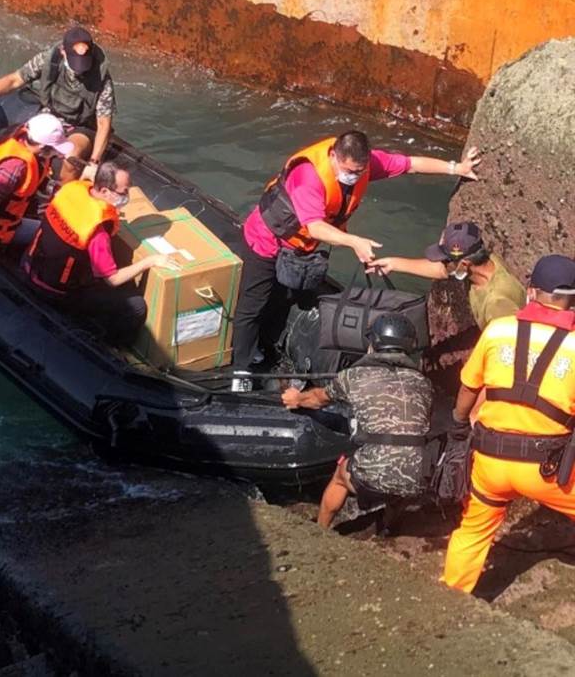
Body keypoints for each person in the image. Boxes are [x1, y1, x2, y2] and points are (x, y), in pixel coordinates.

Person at [231, 130, 480, 388]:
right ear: (334, 156)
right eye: (348, 170)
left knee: (285, 297)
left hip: (300, 248)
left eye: (359, 171)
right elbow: (315, 226)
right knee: (253, 303)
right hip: (266, 240)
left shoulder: (367, 165)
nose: (353, 176)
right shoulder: (309, 177)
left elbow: (411, 164)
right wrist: (355, 242)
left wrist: (456, 168)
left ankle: (268, 342)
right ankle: (241, 368)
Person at [441, 254, 575, 594]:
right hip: (550, 472)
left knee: (472, 530)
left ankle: (451, 598)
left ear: (531, 293)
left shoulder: (499, 330)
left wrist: (458, 424)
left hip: (490, 462)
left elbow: (470, 387)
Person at [281, 313, 434, 530]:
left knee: (340, 476)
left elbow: (318, 399)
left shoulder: (354, 376)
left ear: (373, 345)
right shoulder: (424, 383)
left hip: (375, 471)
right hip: (418, 476)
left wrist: (297, 398)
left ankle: (320, 530)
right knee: (403, 480)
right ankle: (389, 525)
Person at [23, 161, 178, 345]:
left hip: (32, 264)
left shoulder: (72, 190)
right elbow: (112, 279)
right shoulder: (98, 229)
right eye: (124, 192)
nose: (127, 196)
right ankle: (112, 346)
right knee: (136, 306)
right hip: (59, 291)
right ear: (105, 191)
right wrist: (150, 261)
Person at [0, 26, 115, 184]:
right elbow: (15, 80)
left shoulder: (102, 79)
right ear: (63, 51)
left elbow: (103, 123)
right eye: (74, 63)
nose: (79, 70)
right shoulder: (47, 60)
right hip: (50, 115)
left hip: (82, 126)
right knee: (17, 141)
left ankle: (62, 196)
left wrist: (94, 162)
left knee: (72, 157)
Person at [370, 221, 525, 330]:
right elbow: (442, 270)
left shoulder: (497, 303)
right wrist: (394, 264)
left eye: (445, 260)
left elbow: (509, 348)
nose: (442, 264)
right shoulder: (487, 262)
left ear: (464, 265)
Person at [0, 113, 73, 250]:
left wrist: (54, 189)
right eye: (55, 149)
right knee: (45, 235)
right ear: (41, 147)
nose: (60, 154)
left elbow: (37, 177)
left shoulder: (20, 138)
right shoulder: (14, 168)